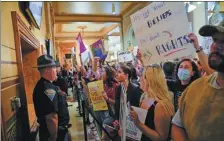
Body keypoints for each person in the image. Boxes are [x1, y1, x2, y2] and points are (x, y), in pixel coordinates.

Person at [171, 21, 224, 141]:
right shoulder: (194, 88)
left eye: (223, 42)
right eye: (215, 40)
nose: (214, 46)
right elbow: (178, 126)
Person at [130, 65, 174, 141]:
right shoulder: (145, 96)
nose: (139, 79)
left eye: (142, 76)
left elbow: (161, 138)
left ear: (150, 81)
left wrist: (138, 123)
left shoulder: (160, 105)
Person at [33, 55, 59, 141]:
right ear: (48, 70)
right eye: (54, 68)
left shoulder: (44, 85)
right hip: (51, 134)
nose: (56, 70)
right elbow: (51, 118)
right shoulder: (47, 89)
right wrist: (54, 138)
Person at [53, 62, 71, 141]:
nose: (56, 69)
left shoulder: (62, 80)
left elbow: (65, 93)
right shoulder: (48, 84)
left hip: (62, 107)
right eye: (55, 67)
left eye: (57, 67)